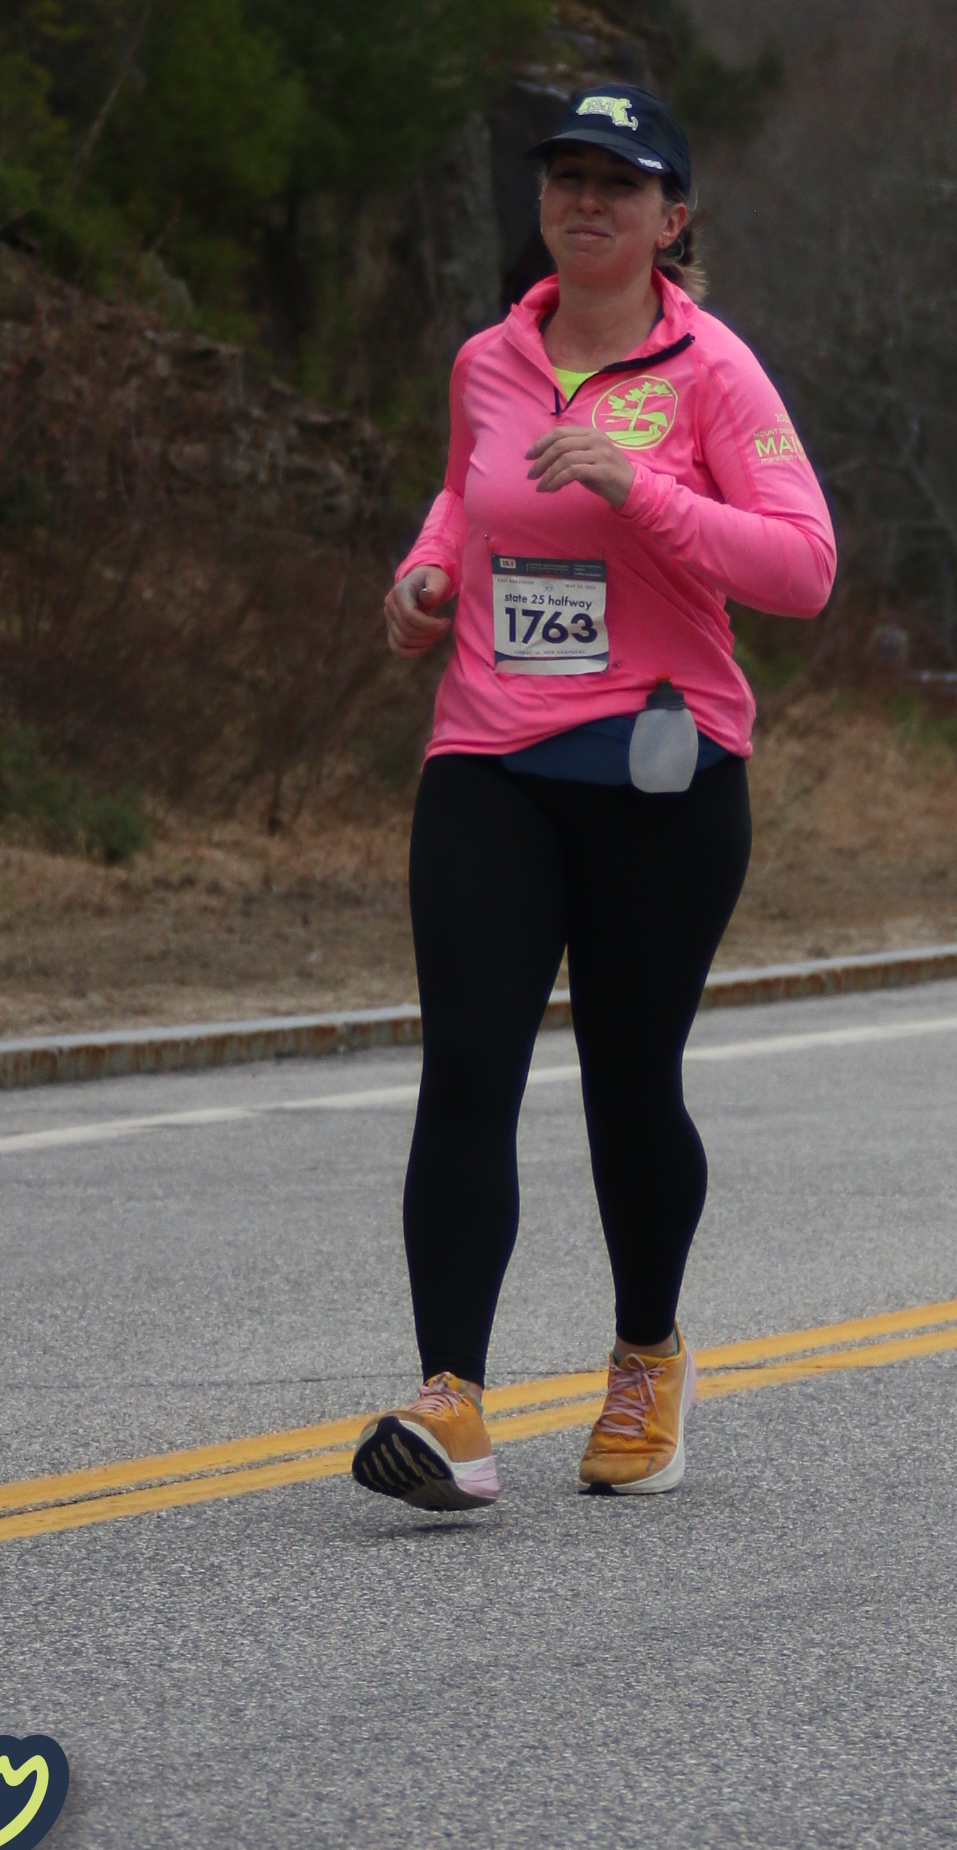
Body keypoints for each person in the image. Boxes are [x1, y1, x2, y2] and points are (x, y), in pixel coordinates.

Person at [352, 83, 836, 1513]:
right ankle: (451, 1403)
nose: (586, 201)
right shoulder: (489, 359)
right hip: (491, 758)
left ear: (672, 218)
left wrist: (641, 490)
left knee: (630, 1084)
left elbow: (805, 569)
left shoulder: (715, 374)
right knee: (468, 1069)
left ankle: (645, 1357)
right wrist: (424, 578)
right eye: (567, 176)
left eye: (620, 183)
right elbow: (465, 497)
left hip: (658, 773)